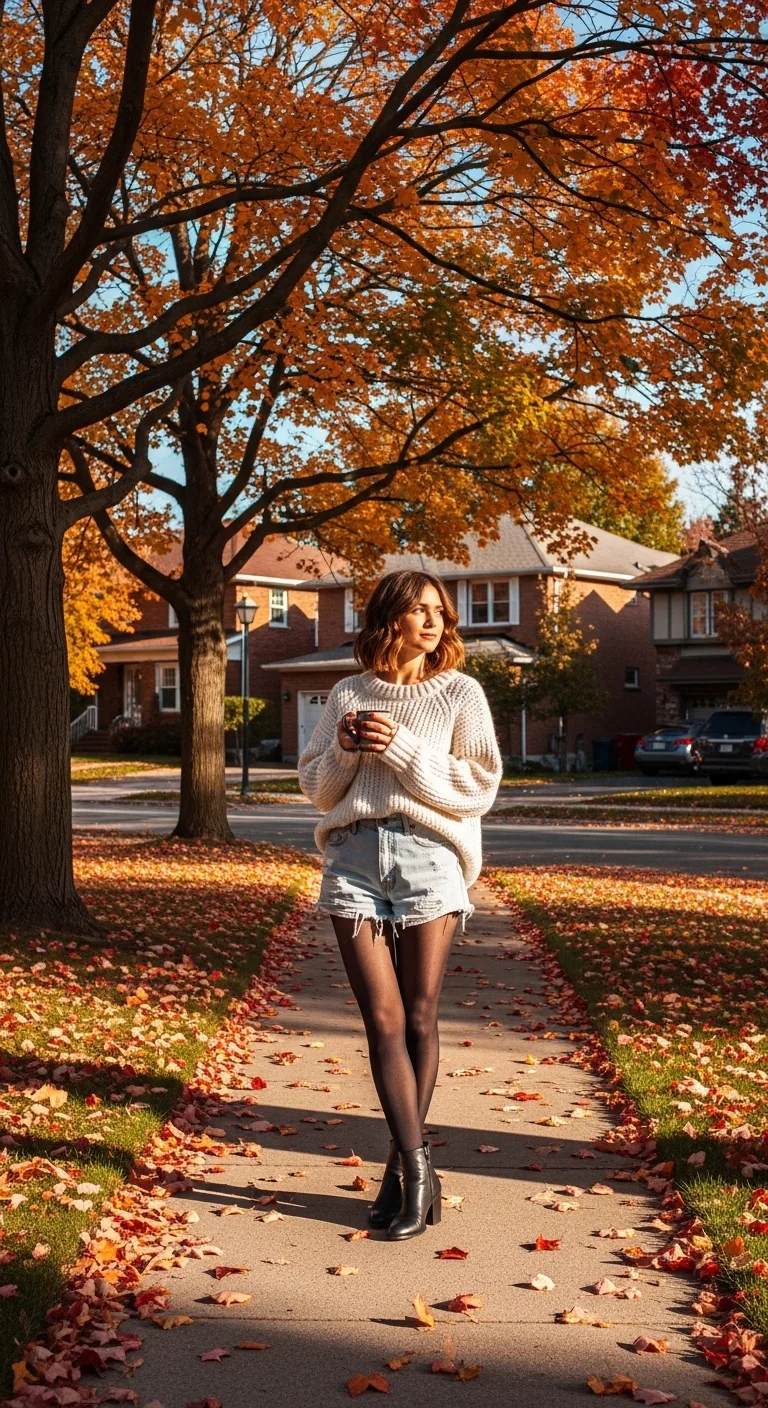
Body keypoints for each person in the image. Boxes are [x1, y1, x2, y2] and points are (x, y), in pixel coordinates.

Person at [297, 570, 502, 1240]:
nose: (433, 621)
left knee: (418, 1016)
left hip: (429, 861)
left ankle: (401, 1173)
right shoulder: (348, 692)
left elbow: (478, 786)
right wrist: (350, 752)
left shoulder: (459, 694)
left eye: (439, 611)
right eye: (418, 610)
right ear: (389, 620)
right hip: (354, 859)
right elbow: (316, 787)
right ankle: (420, 1171)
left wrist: (404, 749)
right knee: (381, 1021)